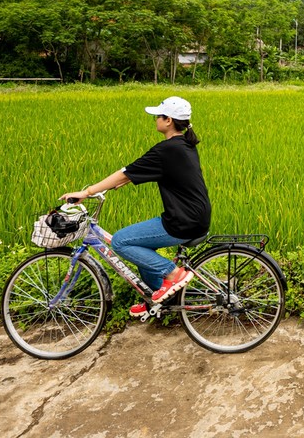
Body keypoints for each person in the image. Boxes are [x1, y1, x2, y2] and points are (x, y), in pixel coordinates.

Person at [61, 96, 211, 317]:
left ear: (168, 120)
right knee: (141, 247)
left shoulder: (167, 149)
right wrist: (122, 182)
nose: (154, 120)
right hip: (194, 216)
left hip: (183, 221)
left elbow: (125, 171)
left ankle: (173, 275)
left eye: (157, 116)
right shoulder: (182, 145)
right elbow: (136, 173)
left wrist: (87, 192)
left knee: (122, 241)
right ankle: (155, 300)